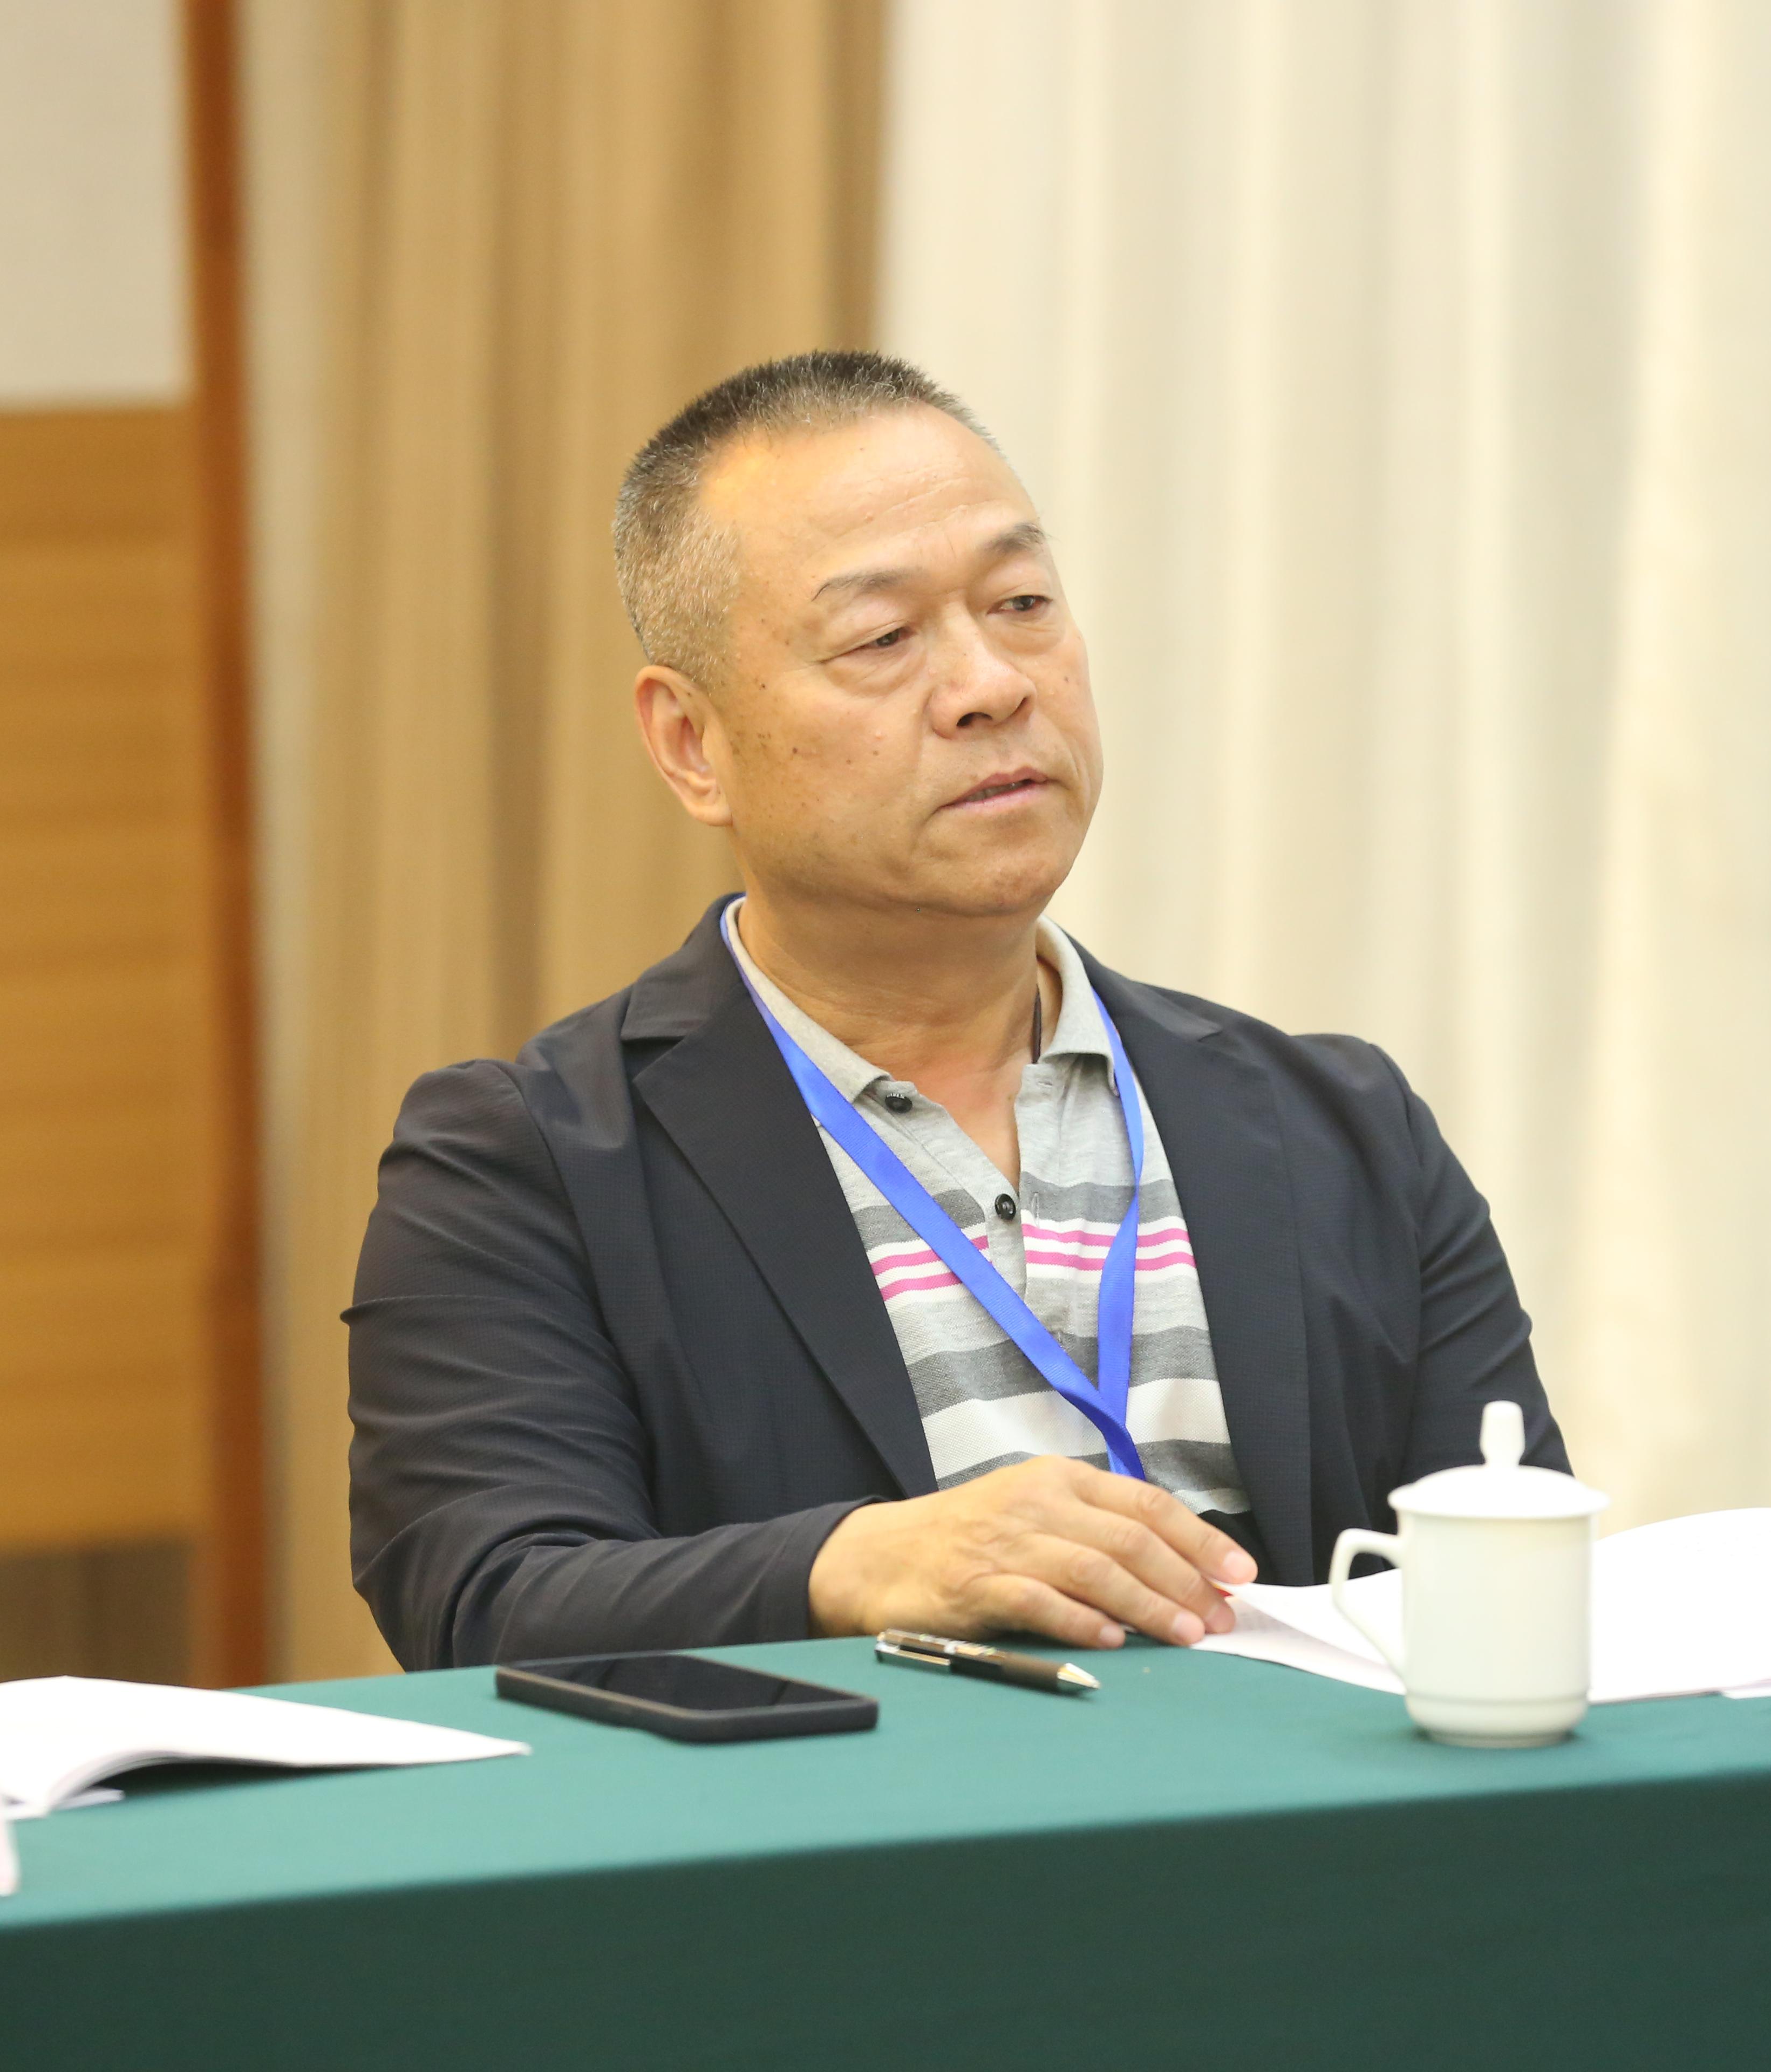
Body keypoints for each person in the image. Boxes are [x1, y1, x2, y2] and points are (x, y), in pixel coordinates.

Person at [348, 350, 1567, 1671]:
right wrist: (850, 1564)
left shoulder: (1345, 1128)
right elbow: (484, 1600)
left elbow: (1514, 1582)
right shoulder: (527, 1166)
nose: (993, 684)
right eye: (883, 638)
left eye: (1022, 603)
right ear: (693, 745)